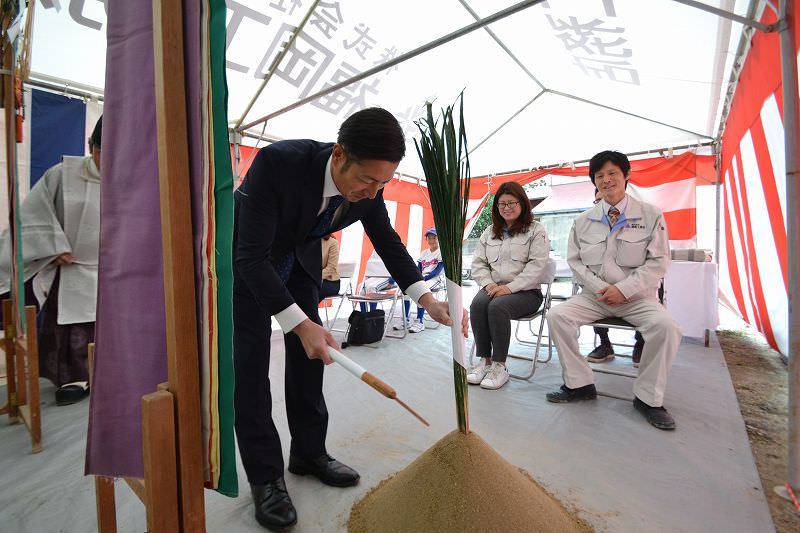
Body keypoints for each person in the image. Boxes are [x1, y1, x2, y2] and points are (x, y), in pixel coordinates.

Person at [232, 107, 468, 531]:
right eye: (366, 180)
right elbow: (250, 256)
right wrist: (298, 323)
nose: (373, 192)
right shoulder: (279, 163)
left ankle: (308, 452)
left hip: (299, 265)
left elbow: (389, 242)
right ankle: (265, 478)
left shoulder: (369, 191)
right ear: (339, 154)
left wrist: (428, 300)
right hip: (245, 269)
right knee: (249, 373)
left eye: (384, 183)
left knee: (312, 361)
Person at [545, 150, 681, 430]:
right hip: (595, 297)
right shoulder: (583, 221)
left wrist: (624, 289)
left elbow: (659, 261)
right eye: (600, 176)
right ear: (594, 181)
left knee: (666, 328)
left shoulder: (651, 214)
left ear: (626, 175)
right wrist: (600, 288)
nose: (606, 180)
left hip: (637, 298)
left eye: (612, 174)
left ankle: (648, 399)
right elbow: (576, 262)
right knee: (558, 316)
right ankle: (580, 384)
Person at [0, 116, 102, 406]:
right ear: (90, 145)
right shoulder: (62, 174)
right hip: (70, 267)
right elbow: (33, 215)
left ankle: (106, 374)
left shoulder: (129, 177)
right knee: (71, 331)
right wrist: (52, 246)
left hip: (110, 269)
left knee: (110, 325)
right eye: (99, 151)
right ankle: (72, 378)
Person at [466, 181, 550, 390]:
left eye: (511, 202)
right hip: (494, 288)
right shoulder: (489, 232)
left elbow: (536, 266)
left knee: (497, 306)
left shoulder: (535, 230)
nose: (506, 208)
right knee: (477, 304)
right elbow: (478, 263)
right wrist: (488, 284)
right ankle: (484, 362)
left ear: (522, 203)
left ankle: (499, 365)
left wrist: (509, 288)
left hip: (527, 292)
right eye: (501, 204)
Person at [585, 188, 645, 367]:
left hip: (634, 293)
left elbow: (651, 267)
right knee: (590, 293)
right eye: (598, 201)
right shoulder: (588, 225)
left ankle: (641, 343)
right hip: (602, 292)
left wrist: (623, 289)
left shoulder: (641, 222)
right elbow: (582, 265)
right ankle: (605, 344)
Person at [392, 227, 444, 333]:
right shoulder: (424, 253)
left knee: (421, 292)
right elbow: (418, 269)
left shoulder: (441, 252)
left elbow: (437, 271)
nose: (432, 240)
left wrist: (421, 280)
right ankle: (405, 320)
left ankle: (420, 321)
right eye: (429, 238)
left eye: (434, 238)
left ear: (439, 239)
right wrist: (416, 279)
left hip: (435, 279)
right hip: (423, 278)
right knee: (406, 290)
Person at [318, 234, 341, 300]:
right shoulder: (308, 242)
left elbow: (331, 268)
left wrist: (315, 277)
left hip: (330, 282)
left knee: (309, 292)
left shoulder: (332, 242)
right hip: (313, 281)